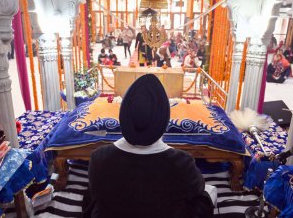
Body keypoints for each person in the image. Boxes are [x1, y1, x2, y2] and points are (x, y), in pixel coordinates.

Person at [82, 74, 214, 218]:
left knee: (91, 195)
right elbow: (197, 190)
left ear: (124, 115)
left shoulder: (99, 158)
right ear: (163, 119)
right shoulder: (182, 162)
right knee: (209, 193)